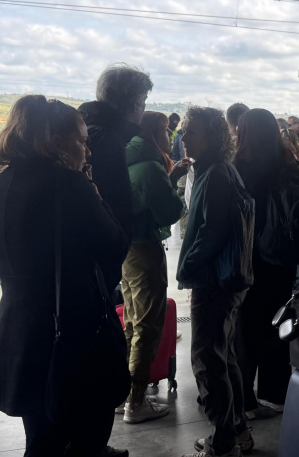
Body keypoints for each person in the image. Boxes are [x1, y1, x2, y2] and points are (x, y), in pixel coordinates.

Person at [0, 95, 130, 457]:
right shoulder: (69, 185)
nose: (87, 150)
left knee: (42, 439)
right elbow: (115, 246)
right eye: (81, 140)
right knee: (87, 438)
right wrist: (93, 191)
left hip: (21, 329)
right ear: (56, 140)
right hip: (72, 332)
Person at [177, 107, 253, 457]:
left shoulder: (216, 174)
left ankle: (222, 443)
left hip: (214, 280)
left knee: (207, 359)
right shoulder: (218, 170)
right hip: (226, 279)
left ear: (211, 135)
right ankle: (237, 431)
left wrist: (188, 265)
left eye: (191, 131)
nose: (183, 136)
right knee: (224, 357)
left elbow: (212, 231)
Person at [118, 112, 188, 423]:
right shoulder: (149, 163)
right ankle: (136, 401)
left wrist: (169, 179)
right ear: (151, 132)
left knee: (132, 320)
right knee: (147, 325)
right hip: (145, 247)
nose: (170, 134)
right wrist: (183, 198)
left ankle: (122, 394)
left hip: (126, 248)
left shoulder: (129, 153)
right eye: (165, 128)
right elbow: (169, 210)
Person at [233, 108, 299, 417]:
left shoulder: (238, 166)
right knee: (278, 323)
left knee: (244, 329)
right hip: (281, 258)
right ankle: (276, 393)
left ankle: (245, 397)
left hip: (248, 258)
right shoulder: (289, 164)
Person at [79, 63, 153, 292]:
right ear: (135, 105)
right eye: (143, 103)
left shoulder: (88, 128)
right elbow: (111, 205)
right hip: (93, 266)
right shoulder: (107, 140)